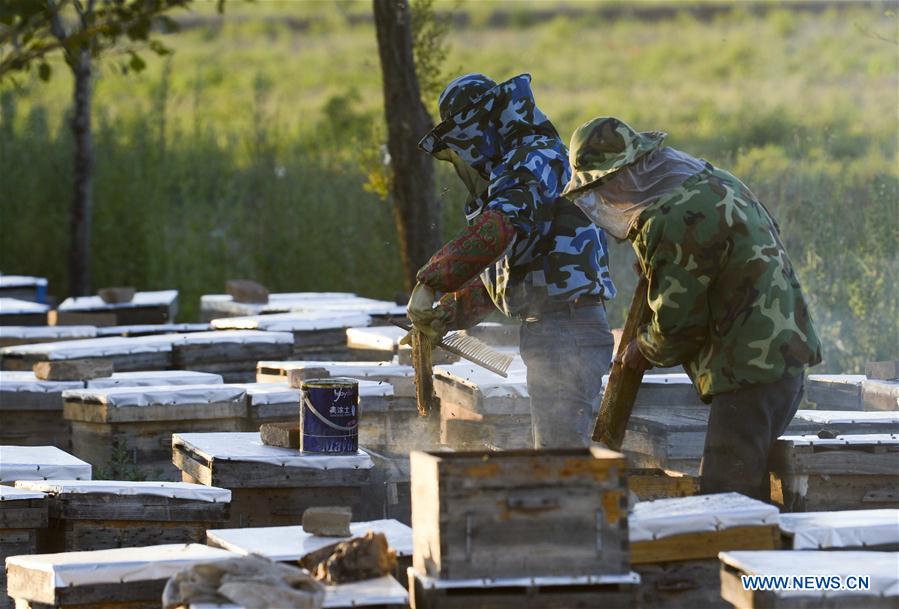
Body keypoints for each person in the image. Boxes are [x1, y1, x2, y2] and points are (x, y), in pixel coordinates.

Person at [561, 116, 822, 499]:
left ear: (622, 176)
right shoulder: (711, 180)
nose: (606, 199)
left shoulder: (667, 217)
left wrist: (641, 349)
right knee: (745, 490)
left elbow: (678, 327)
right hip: (782, 361)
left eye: (603, 187)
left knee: (727, 499)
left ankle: (742, 558)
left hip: (748, 372)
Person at [406, 73, 617, 448]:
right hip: (554, 330)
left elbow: (498, 229)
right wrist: (448, 315)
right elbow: (508, 274)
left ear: (479, 127)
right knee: (555, 455)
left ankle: (600, 508)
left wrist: (430, 282)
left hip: (566, 331)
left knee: (561, 460)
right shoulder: (519, 165)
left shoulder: (532, 158)